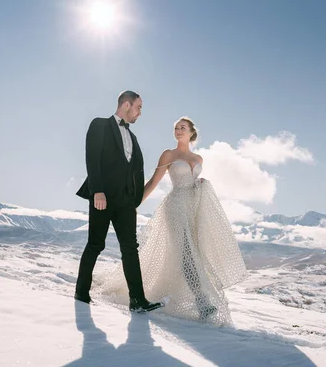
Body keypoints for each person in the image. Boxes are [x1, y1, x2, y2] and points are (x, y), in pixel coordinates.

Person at [99, 117, 247, 325]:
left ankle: (195, 298)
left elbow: (194, 183)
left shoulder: (199, 158)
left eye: (182, 128)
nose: (178, 131)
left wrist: (200, 184)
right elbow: (153, 181)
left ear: (191, 133)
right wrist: (133, 204)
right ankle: (203, 302)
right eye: (176, 128)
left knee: (197, 254)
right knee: (187, 254)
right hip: (175, 207)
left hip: (193, 209)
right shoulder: (168, 154)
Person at [75, 90, 163, 313]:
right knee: (96, 244)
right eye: (139, 107)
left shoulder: (133, 137)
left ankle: (138, 300)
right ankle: (81, 293)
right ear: (126, 105)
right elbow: (92, 158)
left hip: (125, 203)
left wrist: (134, 200)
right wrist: (98, 191)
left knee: (130, 249)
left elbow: (134, 170)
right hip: (102, 198)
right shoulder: (100, 125)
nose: (140, 113)